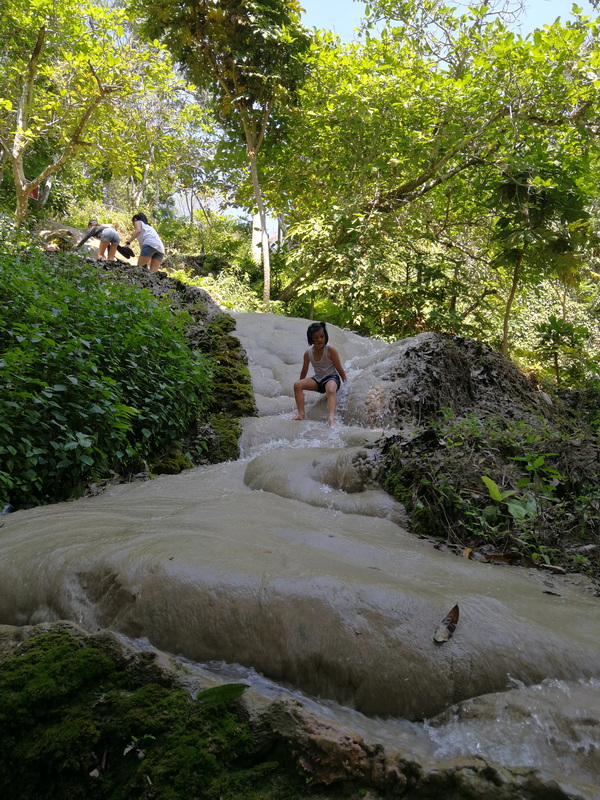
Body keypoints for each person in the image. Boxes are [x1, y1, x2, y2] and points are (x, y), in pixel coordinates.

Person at [292, 321, 347, 427]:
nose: (320, 340)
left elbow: (339, 367)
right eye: (316, 338)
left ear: (325, 336)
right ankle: (301, 414)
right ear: (311, 339)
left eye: (322, 336)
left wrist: (346, 382)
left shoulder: (330, 350)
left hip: (332, 378)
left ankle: (331, 418)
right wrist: (301, 386)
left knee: (330, 390)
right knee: (297, 385)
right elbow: (304, 370)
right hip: (318, 379)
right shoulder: (308, 353)